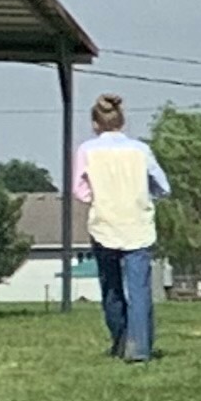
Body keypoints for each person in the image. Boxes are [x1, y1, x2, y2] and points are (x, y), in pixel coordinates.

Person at [72, 95, 166, 362]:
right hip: (137, 224)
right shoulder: (140, 150)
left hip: (104, 223)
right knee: (139, 289)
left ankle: (120, 340)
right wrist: (147, 195)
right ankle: (141, 348)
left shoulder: (87, 150)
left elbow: (79, 189)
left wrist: (98, 196)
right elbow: (162, 184)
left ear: (95, 123)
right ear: (122, 121)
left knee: (111, 287)